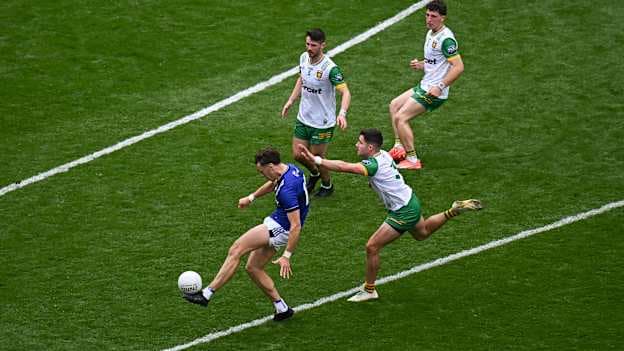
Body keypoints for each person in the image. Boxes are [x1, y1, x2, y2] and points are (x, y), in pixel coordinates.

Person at [298, 129, 481, 302]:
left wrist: (318, 161)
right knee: (422, 233)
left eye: (359, 142)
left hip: (403, 210)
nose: (356, 145)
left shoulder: (373, 163)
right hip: (411, 200)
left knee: (372, 247)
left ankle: (369, 290)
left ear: (370, 148)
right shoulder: (383, 154)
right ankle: (454, 210)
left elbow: (347, 167)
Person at [182, 147, 310, 321]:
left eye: (262, 171)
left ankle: (206, 294)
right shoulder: (291, 170)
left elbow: (296, 225)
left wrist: (287, 256)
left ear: (271, 166)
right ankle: (282, 308)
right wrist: (251, 197)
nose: (262, 175)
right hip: (279, 223)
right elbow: (273, 184)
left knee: (237, 249)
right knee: (253, 268)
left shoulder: (287, 191)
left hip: (280, 227)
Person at [388, 0, 464, 170]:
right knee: (394, 105)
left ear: (443, 18)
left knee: (401, 118)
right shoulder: (431, 33)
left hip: (434, 91)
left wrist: (440, 86)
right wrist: (421, 64)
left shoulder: (446, 40)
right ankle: (399, 147)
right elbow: (437, 61)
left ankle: (413, 160)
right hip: (425, 85)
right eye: (427, 15)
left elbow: (458, 67)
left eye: (434, 16)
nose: (429, 19)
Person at [281, 28, 352, 197]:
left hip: (322, 123)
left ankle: (327, 185)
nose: (309, 48)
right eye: (307, 44)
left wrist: (342, 113)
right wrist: (291, 100)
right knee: (298, 154)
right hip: (304, 117)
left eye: (313, 45)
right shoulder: (304, 58)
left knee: (317, 159)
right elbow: (301, 79)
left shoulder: (330, 69)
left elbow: (346, 92)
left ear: (323, 45)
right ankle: (314, 174)